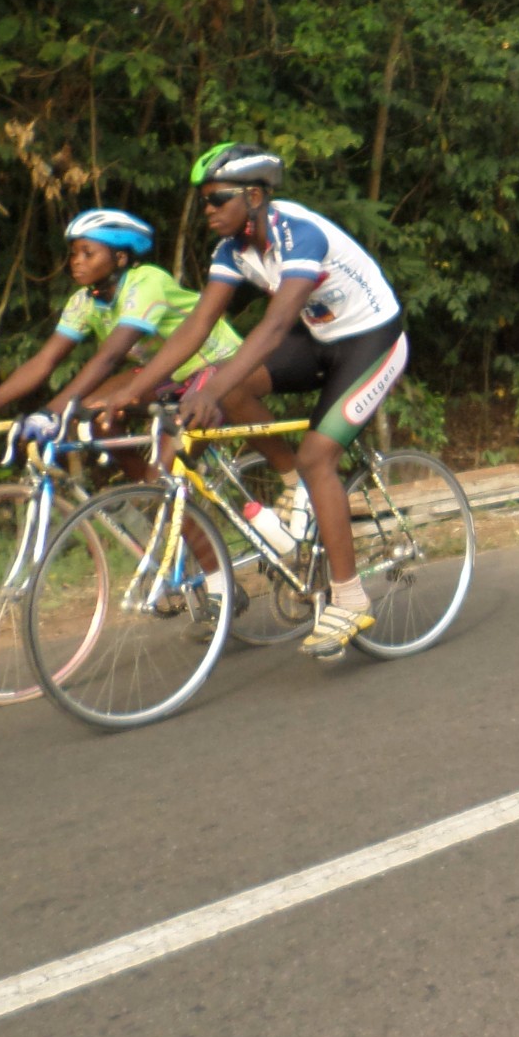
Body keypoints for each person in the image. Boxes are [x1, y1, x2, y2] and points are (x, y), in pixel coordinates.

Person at [94, 144, 409, 658]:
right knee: (223, 379)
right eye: (205, 202)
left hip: (373, 342)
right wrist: (134, 389)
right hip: (320, 340)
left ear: (256, 196)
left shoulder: (297, 234)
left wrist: (211, 390)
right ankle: (296, 491)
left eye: (218, 199)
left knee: (315, 455)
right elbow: (198, 326)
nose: (209, 210)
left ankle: (350, 598)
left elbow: (277, 324)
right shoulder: (233, 252)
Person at [0, 209, 258, 472]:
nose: (76, 262)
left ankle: (160, 493)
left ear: (120, 257)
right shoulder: (83, 301)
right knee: (92, 415)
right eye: (73, 254)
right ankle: (135, 501)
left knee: (165, 473)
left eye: (88, 253)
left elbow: (109, 357)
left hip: (217, 365)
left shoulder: (146, 282)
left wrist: (49, 413)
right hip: (167, 374)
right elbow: (43, 362)